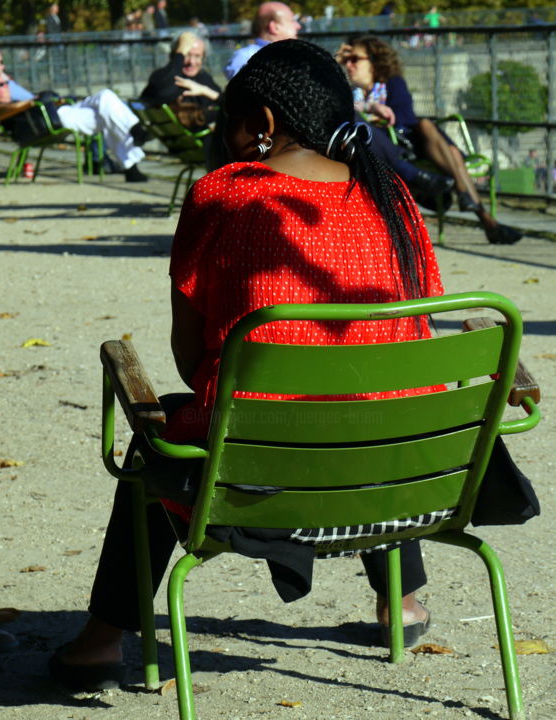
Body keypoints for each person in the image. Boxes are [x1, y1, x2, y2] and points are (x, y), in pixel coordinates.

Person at [48, 39, 442, 692]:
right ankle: (400, 601)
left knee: (162, 429)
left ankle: (100, 642)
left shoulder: (224, 194)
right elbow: (413, 335)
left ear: (260, 123)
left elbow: (189, 356)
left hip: (252, 484)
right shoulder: (393, 198)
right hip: (401, 482)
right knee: (374, 395)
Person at [338, 35, 523, 245]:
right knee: (446, 147)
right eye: (347, 61)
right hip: (388, 149)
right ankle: (483, 216)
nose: (349, 65)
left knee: (426, 125)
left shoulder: (392, 84)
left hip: (410, 143)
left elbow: (404, 119)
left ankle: (473, 205)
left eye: (355, 59)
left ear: (374, 61)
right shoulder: (349, 91)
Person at [0, 71, 149, 182]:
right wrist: (34, 100)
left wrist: (48, 100)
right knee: (108, 112)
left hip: (60, 114)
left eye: (7, 82)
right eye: (2, 84)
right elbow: (8, 111)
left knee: (106, 98)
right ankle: (136, 133)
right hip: (54, 121)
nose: (7, 87)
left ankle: (132, 161)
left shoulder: (11, 103)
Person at [139, 31, 220, 116]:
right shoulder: (162, 78)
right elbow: (163, 94)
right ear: (175, 55)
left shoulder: (204, 78)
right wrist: (180, 53)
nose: (191, 62)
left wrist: (204, 91)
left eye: (197, 56)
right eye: (187, 55)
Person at [224, 1, 301, 80]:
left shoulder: (297, 55)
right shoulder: (244, 58)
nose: (298, 26)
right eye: (292, 20)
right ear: (274, 27)